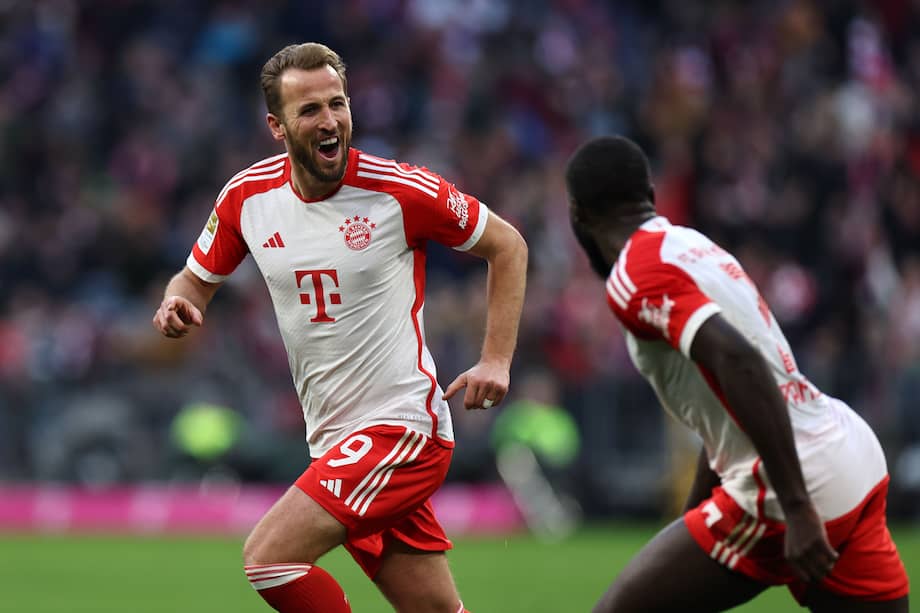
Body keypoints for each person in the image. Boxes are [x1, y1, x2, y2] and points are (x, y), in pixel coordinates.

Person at [151, 42, 527, 613]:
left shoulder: (400, 190)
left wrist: (496, 358)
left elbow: (508, 245)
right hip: (335, 441)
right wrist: (175, 304)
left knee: (270, 558)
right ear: (277, 126)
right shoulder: (247, 199)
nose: (330, 122)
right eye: (310, 111)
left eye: (338, 104)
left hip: (402, 432)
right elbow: (193, 281)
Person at [565, 135, 909, 612]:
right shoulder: (693, 246)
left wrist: (796, 505)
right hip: (850, 453)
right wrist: (692, 525)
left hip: (794, 481)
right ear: (650, 194)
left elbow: (739, 362)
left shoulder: (633, 275)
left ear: (578, 214)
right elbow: (725, 396)